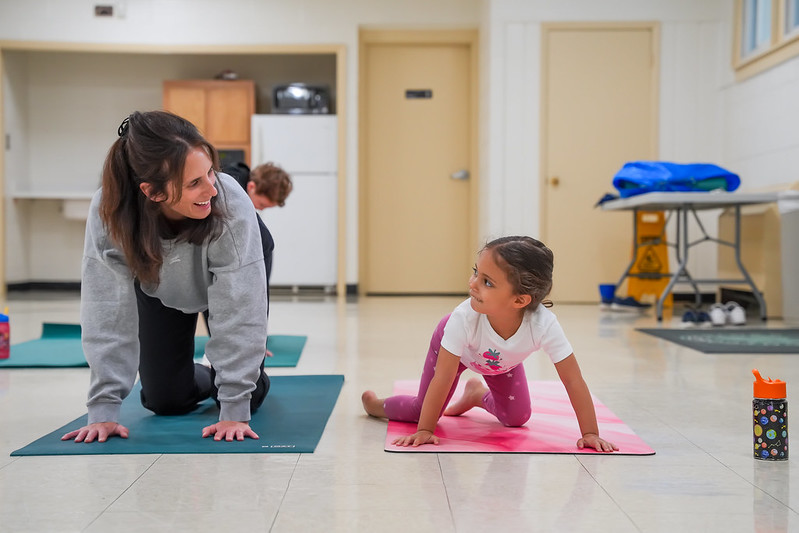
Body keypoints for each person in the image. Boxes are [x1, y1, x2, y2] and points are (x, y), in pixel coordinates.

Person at [62, 110, 270, 444]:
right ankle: (208, 371)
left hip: (235, 266)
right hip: (159, 281)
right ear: (153, 192)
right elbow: (105, 306)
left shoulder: (228, 201)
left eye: (209, 173)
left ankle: (242, 374)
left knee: (247, 394)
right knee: (164, 401)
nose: (211, 189)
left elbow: (240, 308)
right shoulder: (111, 211)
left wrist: (234, 406)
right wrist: (103, 410)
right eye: (194, 183)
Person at [362, 236, 618, 452]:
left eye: (487, 282)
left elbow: (573, 379)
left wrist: (590, 433)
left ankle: (475, 395)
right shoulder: (463, 318)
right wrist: (426, 429)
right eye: (476, 272)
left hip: (501, 363)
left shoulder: (544, 325)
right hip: (455, 354)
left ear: (519, 301)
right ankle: (376, 405)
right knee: (423, 410)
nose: (472, 284)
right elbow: (443, 377)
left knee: (516, 418)